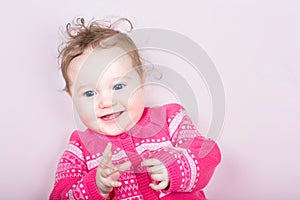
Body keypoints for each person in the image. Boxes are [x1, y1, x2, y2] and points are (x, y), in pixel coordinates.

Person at [50, 17, 221, 200]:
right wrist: (95, 186)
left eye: (118, 87)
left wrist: (174, 168)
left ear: (141, 82)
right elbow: (60, 195)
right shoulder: (79, 147)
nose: (106, 102)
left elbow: (207, 152)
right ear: (72, 97)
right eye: (90, 93)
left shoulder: (171, 118)